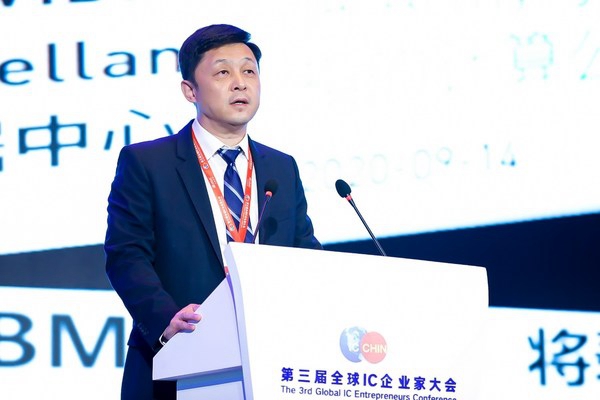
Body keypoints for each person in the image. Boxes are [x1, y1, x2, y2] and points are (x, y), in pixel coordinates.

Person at [104, 24, 321, 400]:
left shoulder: (281, 167)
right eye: (223, 72)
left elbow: (304, 254)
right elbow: (126, 255)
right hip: (177, 364)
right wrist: (166, 321)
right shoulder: (148, 162)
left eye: (249, 71)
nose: (240, 83)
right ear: (190, 90)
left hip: (270, 366)